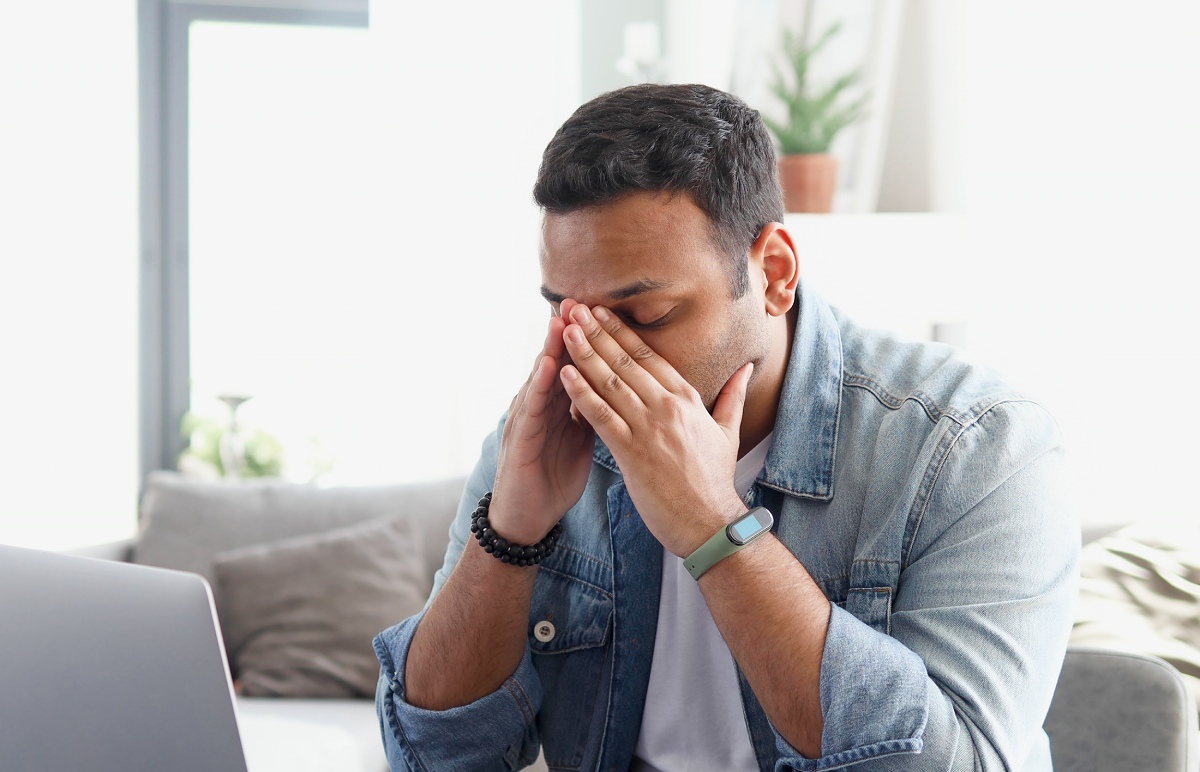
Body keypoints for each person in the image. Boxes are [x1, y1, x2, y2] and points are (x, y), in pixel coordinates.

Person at [373, 83, 1078, 771]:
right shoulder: (546, 432)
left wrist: (716, 527)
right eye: (568, 314)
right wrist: (510, 533)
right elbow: (435, 755)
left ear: (774, 271)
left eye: (646, 316)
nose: (595, 358)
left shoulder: (974, 447)